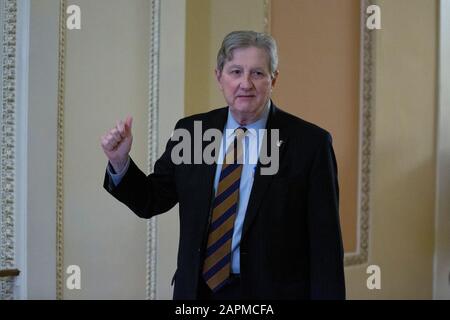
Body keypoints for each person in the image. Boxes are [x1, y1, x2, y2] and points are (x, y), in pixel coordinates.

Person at [101, 30, 345, 300]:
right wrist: (119, 160)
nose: (245, 84)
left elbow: (326, 248)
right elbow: (152, 199)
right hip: (197, 292)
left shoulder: (310, 144)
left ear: (274, 79)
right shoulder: (192, 133)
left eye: (257, 73)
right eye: (236, 71)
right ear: (219, 76)